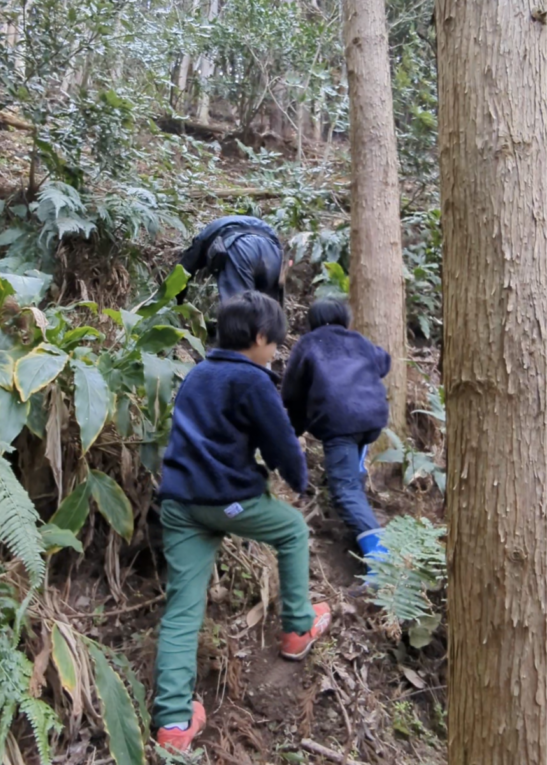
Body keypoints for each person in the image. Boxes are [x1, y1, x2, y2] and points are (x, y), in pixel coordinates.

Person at [153, 291, 332, 753]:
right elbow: (281, 444)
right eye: (275, 342)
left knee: (182, 611)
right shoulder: (253, 380)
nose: (275, 351)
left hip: (179, 502)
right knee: (291, 529)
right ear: (259, 336)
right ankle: (297, 628)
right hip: (227, 499)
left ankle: (173, 724)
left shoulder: (198, 373)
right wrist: (299, 480)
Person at [281, 298, 390, 564]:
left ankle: (381, 560)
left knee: (344, 490)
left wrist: (293, 430)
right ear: (344, 318)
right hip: (372, 420)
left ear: (312, 320)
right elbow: (384, 362)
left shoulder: (308, 344)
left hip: (340, 423)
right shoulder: (358, 340)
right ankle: (359, 498)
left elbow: (291, 393)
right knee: (352, 475)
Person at [177, 214, 285, 304]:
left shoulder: (202, 239)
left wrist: (177, 303)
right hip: (272, 252)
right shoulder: (255, 224)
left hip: (240, 248)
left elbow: (182, 273)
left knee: (237, 311)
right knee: (269, 310)